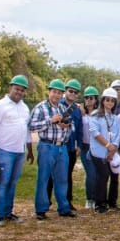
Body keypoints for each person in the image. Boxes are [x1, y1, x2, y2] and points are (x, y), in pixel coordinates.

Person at [0, 74, 33, 226]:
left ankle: (8, 212)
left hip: (19, 150)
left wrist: (30, 149)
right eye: (16, 89)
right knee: (3, 182)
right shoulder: (0, 106)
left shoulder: (24, 108)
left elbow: (27, 130)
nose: (19, 92)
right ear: (10, 88)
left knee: (13, 182)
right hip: (5, 150)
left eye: (22, 90)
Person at [30, 78, 75, 220]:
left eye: (59, 93)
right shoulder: (41, 107)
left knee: (62, 179)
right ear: (49, 92)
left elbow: (72, 127)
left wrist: (66, 125)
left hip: (62, 147)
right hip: (47, 145)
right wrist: (51, 121)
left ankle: (63, 207)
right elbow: (31, 126)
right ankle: (41, 209)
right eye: (54, 92)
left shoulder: (63, 108)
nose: (57, 95)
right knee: (44, 178)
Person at [47, 78, 82, 210]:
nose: (72, 94)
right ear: (65, 91)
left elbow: (78, 128)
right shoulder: (57, 105)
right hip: (57, 145)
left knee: (67, 176)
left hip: (70, 146)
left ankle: (67, 201)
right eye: (70, 91)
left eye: (75, 92)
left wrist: (79, 145)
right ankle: (47, 200)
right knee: (50, 175)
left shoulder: (77, 110)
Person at [89, 87, 120, 213]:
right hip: (98, 151)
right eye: (107, 100)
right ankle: (99, 204)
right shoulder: (95, 115)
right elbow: (94, 132)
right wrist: (108, 146)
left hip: (111, 152)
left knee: (109, 176)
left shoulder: (115, 118)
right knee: (103, 175)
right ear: (103, 101)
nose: (109, 103)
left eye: (112, 101)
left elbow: (118, 134)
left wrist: (113, 149)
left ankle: (107, 202)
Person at [106, 78, 120, 209]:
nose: (118, 92)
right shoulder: (104, 107)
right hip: (103, 145)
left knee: (115, 174)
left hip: (117, 146)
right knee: (103, 175)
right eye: (116, 89)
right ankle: (100, 200)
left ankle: (112, 202)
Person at [79, 87, 100, 209]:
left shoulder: (99, 114)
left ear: (96, 100)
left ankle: (97, 198)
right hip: (85, 147)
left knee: (97, 174)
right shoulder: (80, 113)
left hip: (97, 147)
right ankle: (89, 198)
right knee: (91, 173)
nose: (89, 100)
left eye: (91, 98)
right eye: (87, 97)